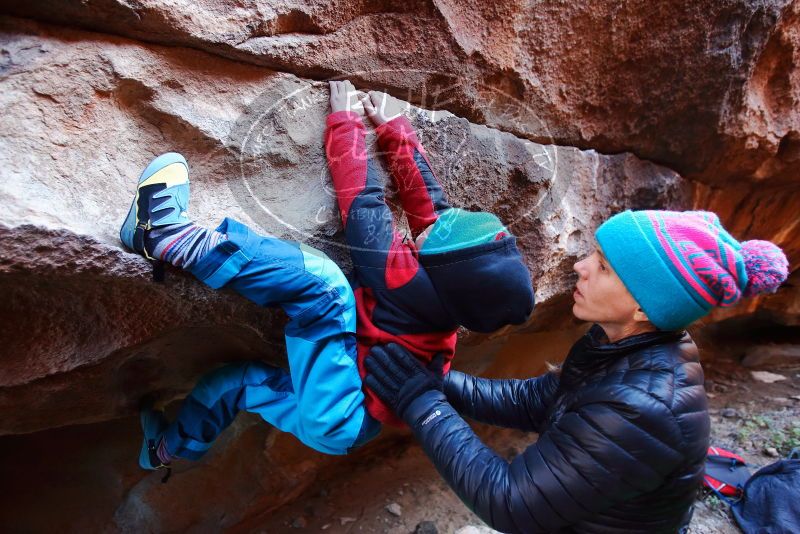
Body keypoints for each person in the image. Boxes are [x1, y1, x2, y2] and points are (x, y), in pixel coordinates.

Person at [365, 209, 789, 533]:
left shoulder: (642, 407)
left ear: (644, 306)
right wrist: (437, 380)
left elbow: (508, 500)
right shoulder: (626, 346)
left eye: (603, 265)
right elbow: (536, 401)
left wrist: (422, 401)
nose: (580, 266)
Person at [120, 151, 378, 475]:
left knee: (326, 288)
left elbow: (373, 209)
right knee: (232, 383)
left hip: (345, 412)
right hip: (347, 429)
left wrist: (351, 128)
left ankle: (164, 236)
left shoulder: (439, 289)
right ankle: (162, 451)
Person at [325, 80, 535, 425]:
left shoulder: (403, 281)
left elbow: (364, 205)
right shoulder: (453, 287)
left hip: (346, 411)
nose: (437, 221)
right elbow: (433, 206)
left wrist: (346, 122)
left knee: (243, 382)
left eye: (439, 230)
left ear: (442, 268)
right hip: (390, 403)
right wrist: (394, 130)